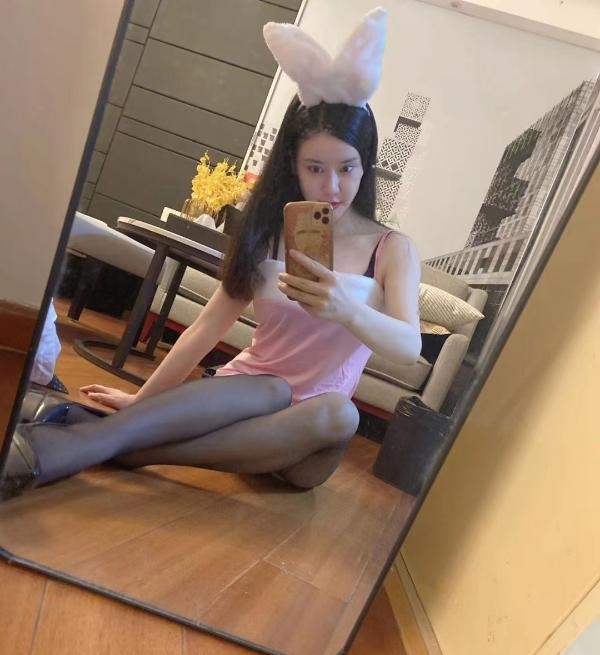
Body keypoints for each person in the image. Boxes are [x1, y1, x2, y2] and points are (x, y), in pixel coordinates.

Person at [1, 7, 421, 498]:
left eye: (346, 168)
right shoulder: (268, 234)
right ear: (292, 165)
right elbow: (206, 328)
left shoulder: (391, 248)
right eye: (315, 168)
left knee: (339, 412)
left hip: (306, 436)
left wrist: (347, 309)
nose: (331, 187)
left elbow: (408, 348)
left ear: (365, 165)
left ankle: (111, 440)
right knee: (272, 386)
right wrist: (142, 401)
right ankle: (101, 441)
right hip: (239, 401)